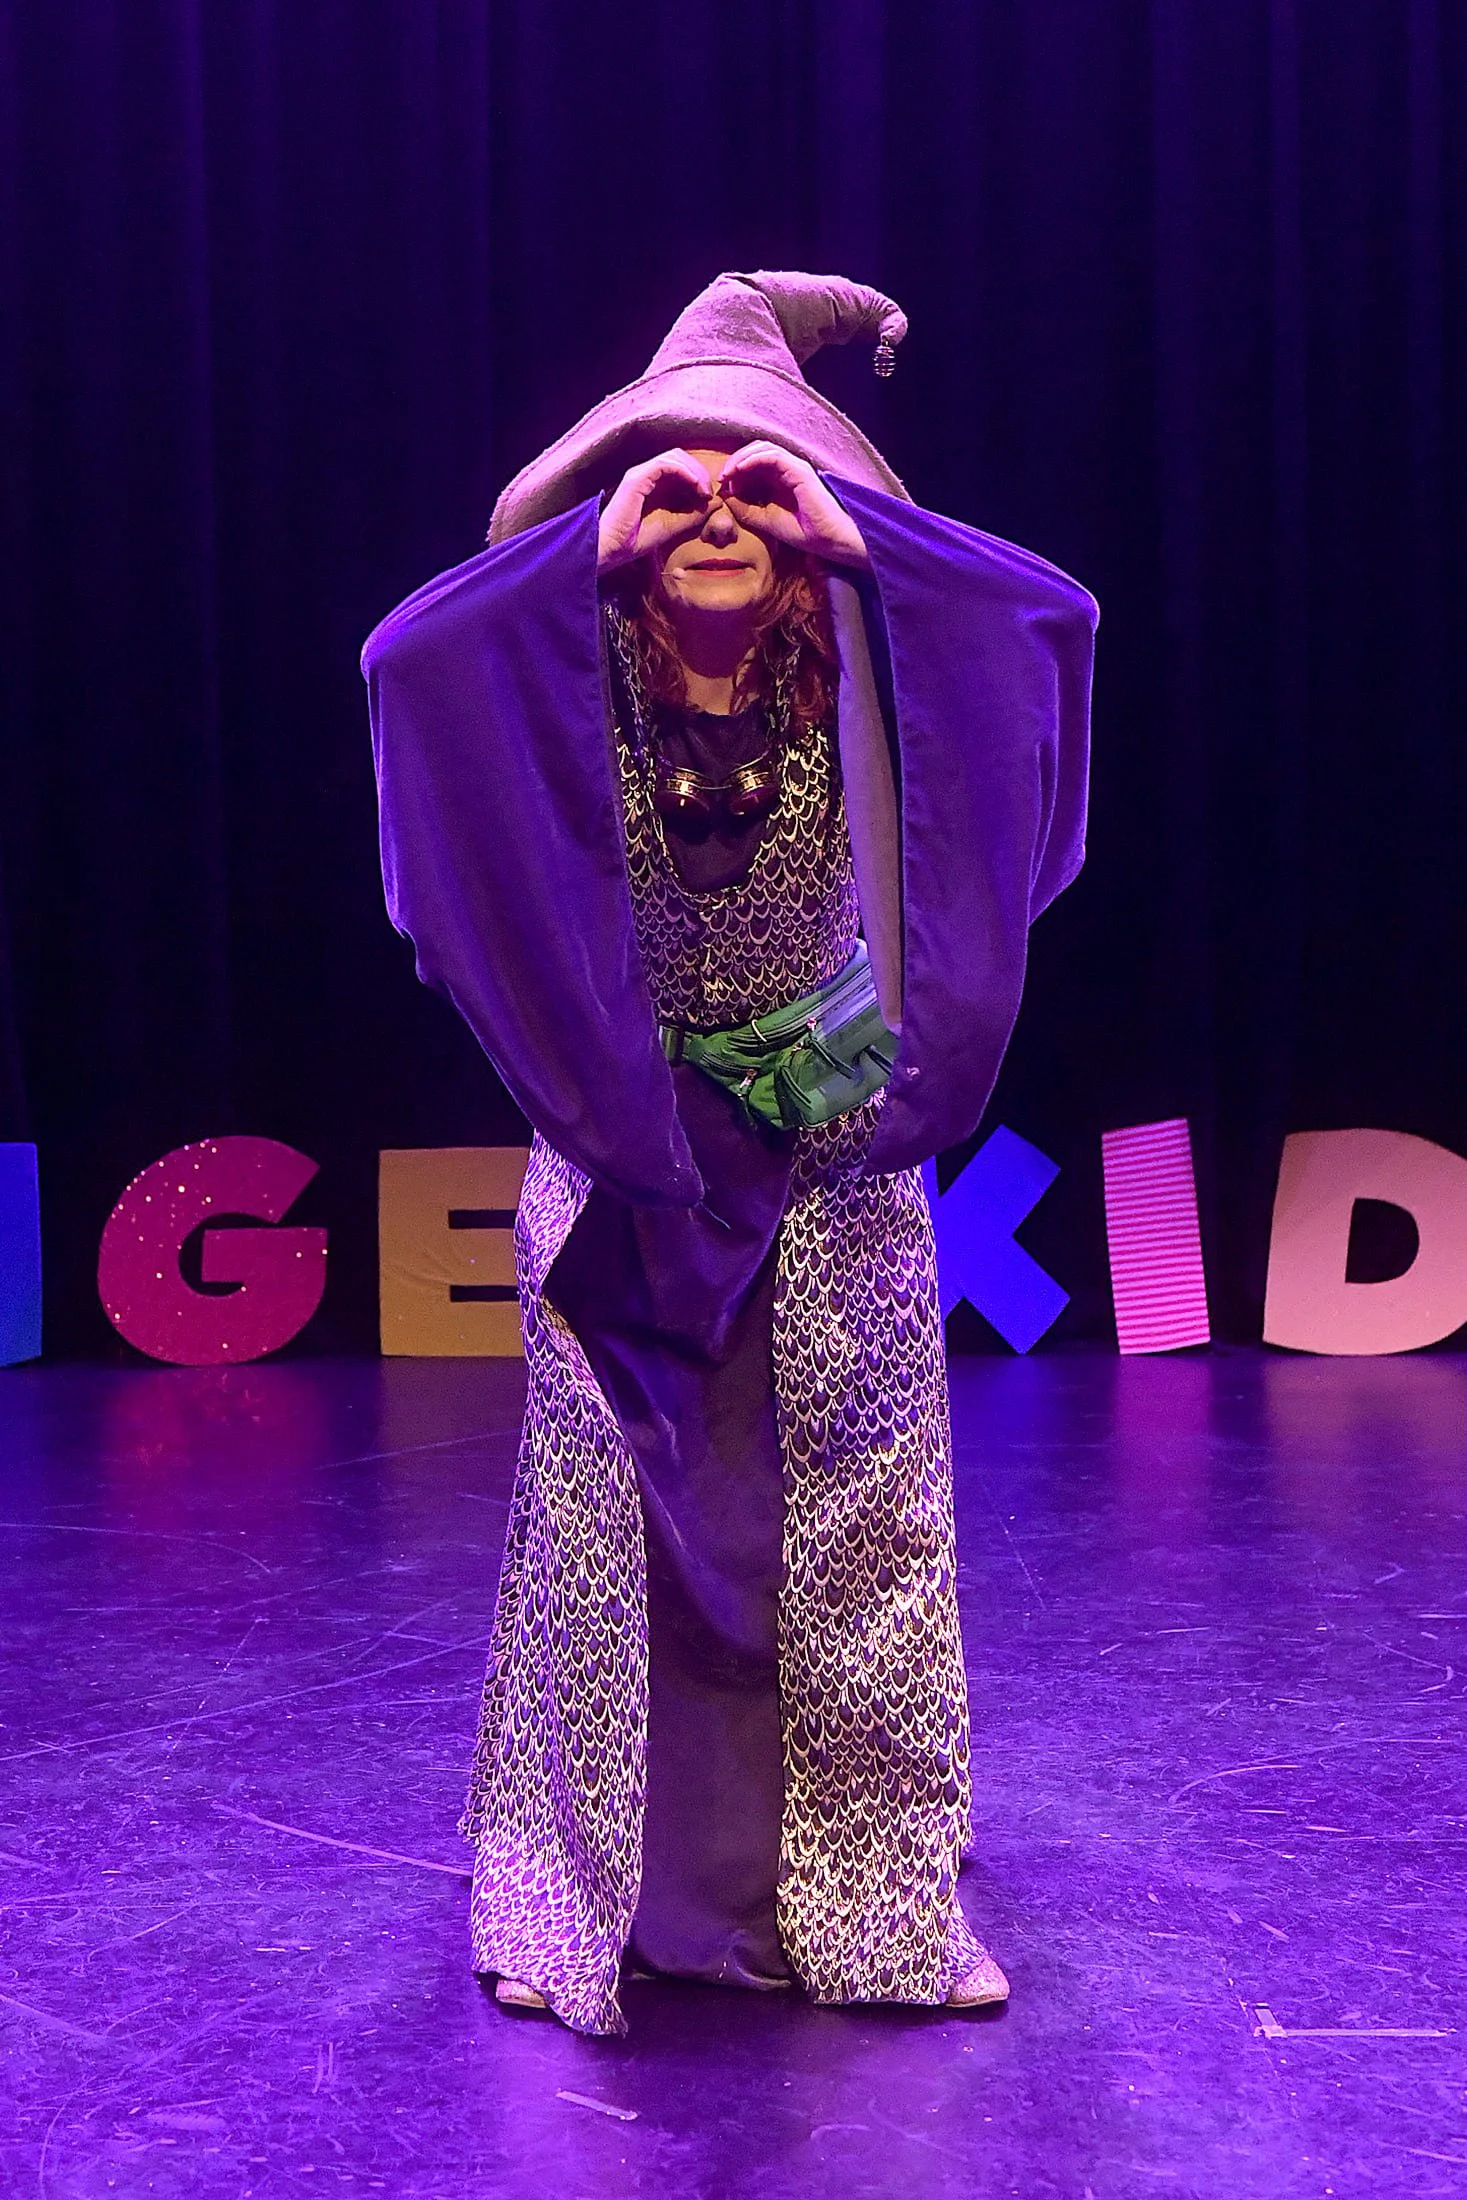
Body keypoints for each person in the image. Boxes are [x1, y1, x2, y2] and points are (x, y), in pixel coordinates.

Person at [363, 271, 1096, 2037]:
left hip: (835, 1165)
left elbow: (1047, 626)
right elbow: (408, 663)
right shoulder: (561, 694)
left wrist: (856, 545)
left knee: (857, 1535)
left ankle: (870, 1908)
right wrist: (576, 558)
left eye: (754, 480)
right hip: (630, 1168)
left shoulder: (877, 682)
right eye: (667, 481)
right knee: (609, 1527)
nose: (713, 507)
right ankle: (595, 1893)